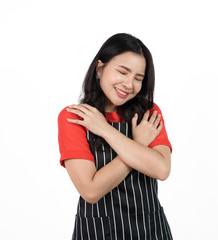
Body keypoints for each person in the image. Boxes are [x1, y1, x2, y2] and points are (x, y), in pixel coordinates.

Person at [57, 33, 173, 240]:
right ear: (100, 69)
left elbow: (161, 169)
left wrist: (105, 130)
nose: (129, 84)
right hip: (98, 231)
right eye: (122, 72)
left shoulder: (149, 113)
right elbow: (91, 191)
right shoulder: (74, 118)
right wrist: (138, 145)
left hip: (150, 230)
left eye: (138, 78)